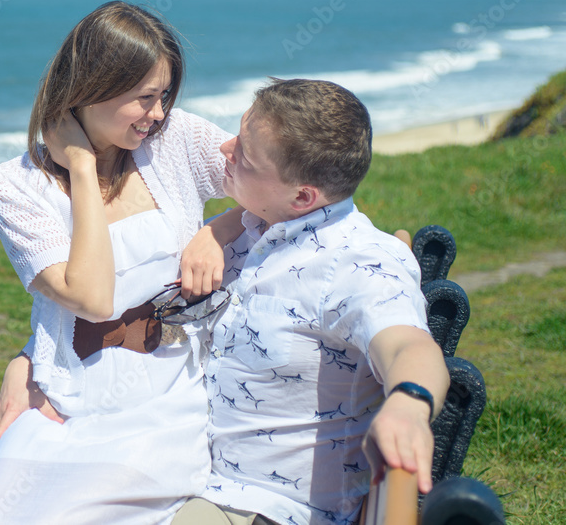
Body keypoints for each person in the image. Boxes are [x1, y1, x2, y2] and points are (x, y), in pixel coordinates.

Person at [0, 1, 243, 524]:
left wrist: (215, 230)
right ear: (90, 88)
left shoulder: (174, 141)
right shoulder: (15, 187)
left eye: (164, 96)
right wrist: (84, 169)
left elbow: (278, 175)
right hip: (68, 396)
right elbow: (91, 299)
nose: (158, 113)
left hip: (166, 398)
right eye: (144, 98)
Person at [171, 78, 449, 525]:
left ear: (303, 197)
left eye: (244, 154)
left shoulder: (358, 264)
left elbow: (407, 345)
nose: (225, 149)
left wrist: (409, 402)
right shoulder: (254, 226)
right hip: (186, 471)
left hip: (265, 506)